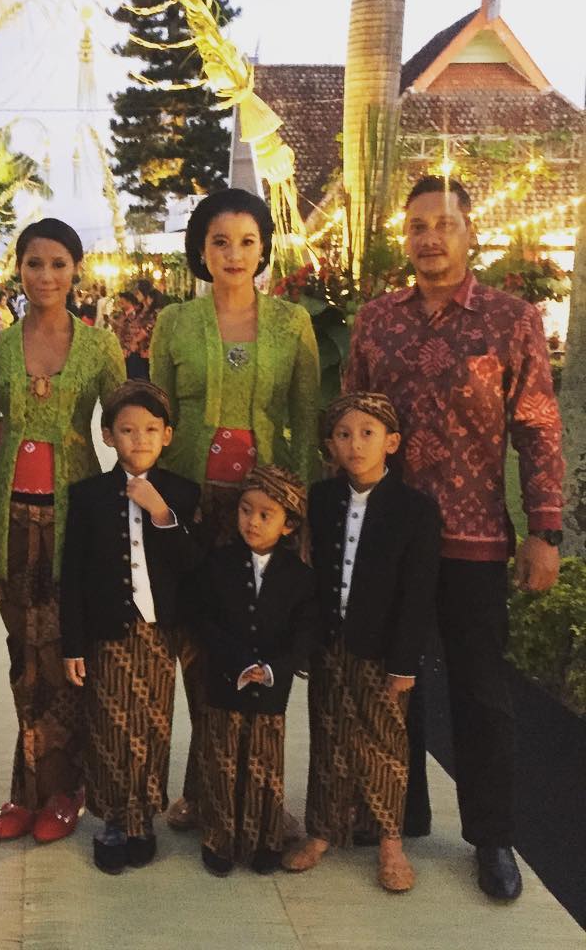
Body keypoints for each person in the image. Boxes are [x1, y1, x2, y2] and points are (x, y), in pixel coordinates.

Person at [343, 176, 564, 901]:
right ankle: (396, 816)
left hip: (475, 538)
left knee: (480, 691)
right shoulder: (377, 321)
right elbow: (348, 419)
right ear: (403, 237)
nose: (430, 238)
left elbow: (538, 427)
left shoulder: (510, 320)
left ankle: (492, 837)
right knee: (389, 684)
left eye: (444, 224)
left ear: (471, 232)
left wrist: (545, 529)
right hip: (389, 535)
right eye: (417, 226)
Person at [150, 187, 321, 831]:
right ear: (201, 250)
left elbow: (305, 420)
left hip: (265, 514)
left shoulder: (291, 324)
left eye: (248, 241)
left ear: (264, 249)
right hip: (194, 507)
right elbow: (158, 420)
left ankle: (258, 791)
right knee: (201, 645)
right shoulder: (175, 323)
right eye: (220, 241)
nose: (234, 253)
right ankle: (205, 787)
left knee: (263, 642)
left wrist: (298, 512)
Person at [0, 217, 126, 844]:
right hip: (7, 515)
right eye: (35, 263)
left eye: (59, 264)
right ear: (19, 270)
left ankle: (66, 789)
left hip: (74, 520)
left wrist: (130, 506)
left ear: (76, 270)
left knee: (63, 657)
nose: (47, 276)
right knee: (23, 656)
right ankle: (27, 789)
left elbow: (125, 426)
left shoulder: (100, 347)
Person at [282, 392, 441, 893]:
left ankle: (390, 842)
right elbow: (310, 571)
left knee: (384, 743)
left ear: (391, 442)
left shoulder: (415, 510)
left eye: (368, 434)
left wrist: (405, 661)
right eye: (344, 435)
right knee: (328, 735)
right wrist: (306, 640)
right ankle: (322, 830)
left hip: (383, 649)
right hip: (330, 640)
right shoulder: (322, 499)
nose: (355, 445)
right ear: (330, 444)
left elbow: (418, 592)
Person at [60, 380, 202, 874]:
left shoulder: (181, 492)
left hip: (160, 634)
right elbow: (74, 576)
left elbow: (192, 564)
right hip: (108, 633)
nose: (139, 439)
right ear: (107, 435)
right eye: (127, 430)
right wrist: (73, 644)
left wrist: (160, 511)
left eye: (150, 429)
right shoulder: (88, 496)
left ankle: (142, 819)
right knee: (109, 728)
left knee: (152, 728)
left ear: (167, 435)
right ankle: (112, 822)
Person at [194, 464, 317, 876]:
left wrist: (274, 667)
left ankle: (264, 839)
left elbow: (305, 632)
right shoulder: (218, 564)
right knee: (223, 760)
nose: (253, 521)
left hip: (271, 687)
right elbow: (205, 620)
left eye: (267, 514)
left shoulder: (299, 577)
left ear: (289, 524)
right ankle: (219, 839)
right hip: (224, 681)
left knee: (264, 763)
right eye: (246, 510)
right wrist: (238, 662)